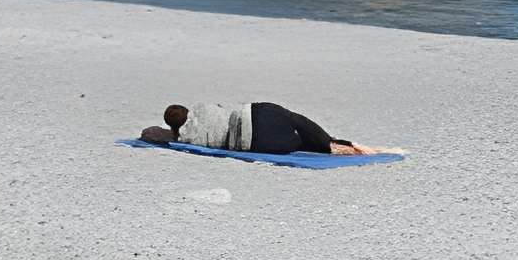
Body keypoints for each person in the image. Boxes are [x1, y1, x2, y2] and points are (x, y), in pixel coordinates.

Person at [140, 100, 378, 156]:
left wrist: (170, 133)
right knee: (297, 120)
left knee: (302, 144)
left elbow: (153, 134)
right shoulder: (203, 109)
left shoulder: (187, 139)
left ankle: (333, 148)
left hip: (255, 139)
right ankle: (332, 140)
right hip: (255, 111)